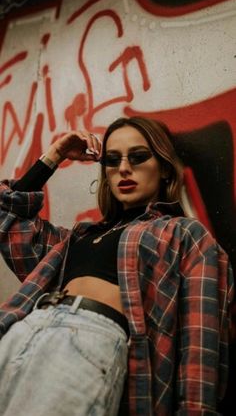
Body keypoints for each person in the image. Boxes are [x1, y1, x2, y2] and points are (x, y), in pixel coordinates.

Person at [0, 116, 233, 416]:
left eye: (138, 157)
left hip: (87, 342)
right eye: (112, 160)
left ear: (163, 167)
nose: (123, 168)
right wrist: (54, 156)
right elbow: (9, 220)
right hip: (22, 331)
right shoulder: (76, 237)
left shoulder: (184, 234)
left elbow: (200, 341)